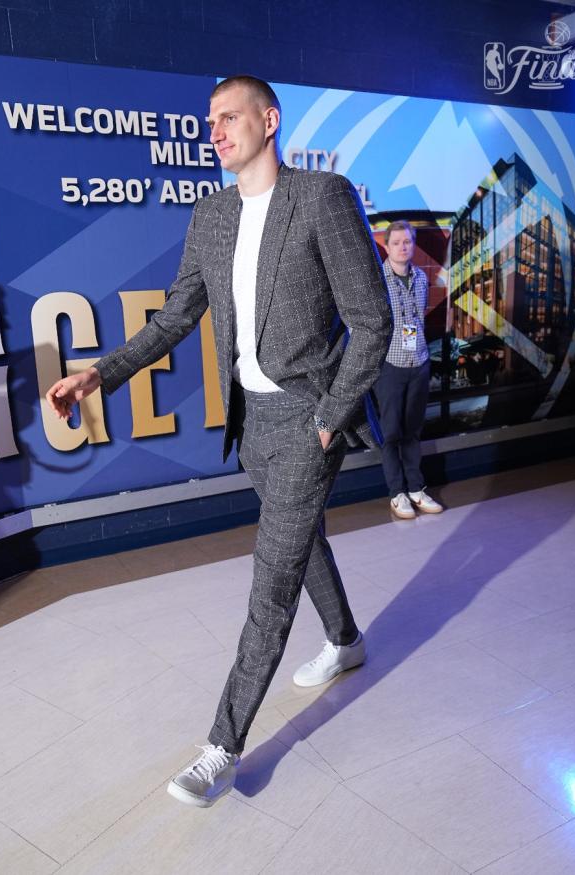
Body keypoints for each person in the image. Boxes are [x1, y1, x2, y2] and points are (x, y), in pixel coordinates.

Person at [46, 75, 391, 808]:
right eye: (210, 122)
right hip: (251, 421)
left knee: (271, 582)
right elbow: (175, 317)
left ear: (270, 120)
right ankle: (346, 639)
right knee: (302, 541)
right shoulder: (211, 215)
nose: (216, 131)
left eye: (229, 117)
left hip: (307, 418)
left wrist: (330, 416)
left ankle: (222, 748)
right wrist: (99, 375)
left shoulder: (321, 197)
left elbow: (373, 320)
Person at [372, 221, 443, 520]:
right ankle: (397, 492)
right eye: (397, 242)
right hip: (390, 366)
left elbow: (419, 317)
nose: (403, 247)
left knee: (413, 432)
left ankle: (416, 488)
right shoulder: (378, 280)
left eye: (408, 242)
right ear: (387, 246)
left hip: (419, 363)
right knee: (390, 433)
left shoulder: (421, 278)